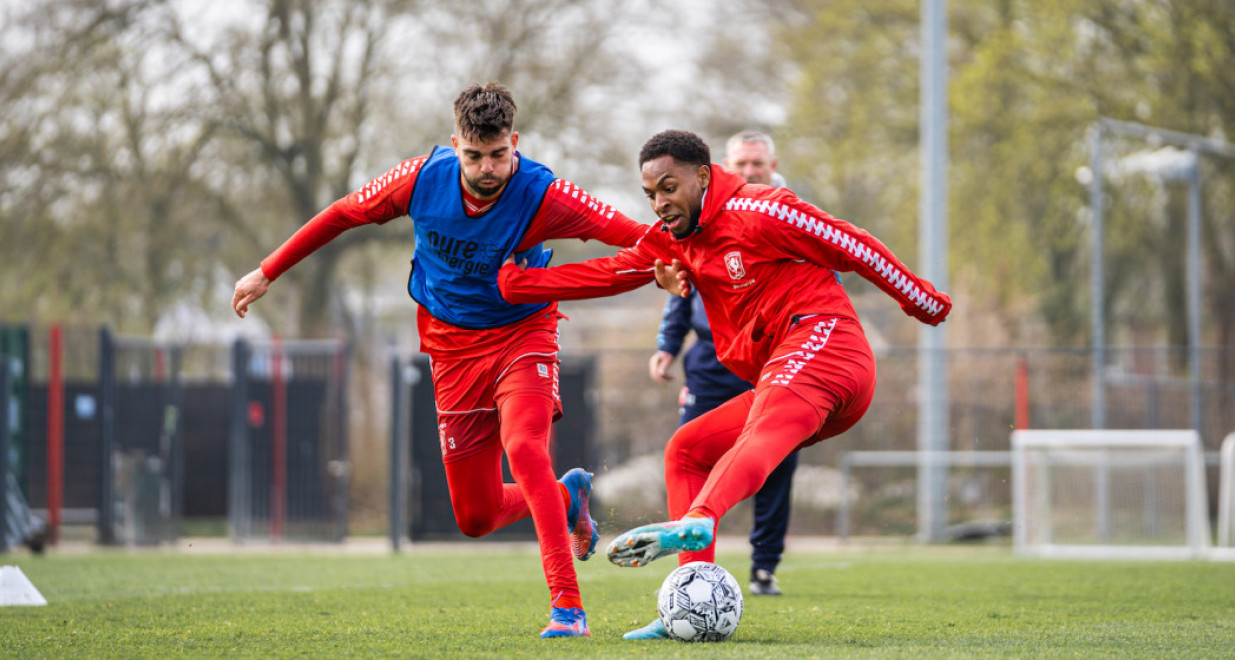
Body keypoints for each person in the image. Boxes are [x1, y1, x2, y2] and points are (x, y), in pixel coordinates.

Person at [231, 82, 649, 639]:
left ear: (515, 144)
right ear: (455, 145)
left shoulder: (543, 195)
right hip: (450, 349)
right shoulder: (420, 179)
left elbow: (638, 240)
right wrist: (267, 270)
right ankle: (565, 494)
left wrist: (673, 263)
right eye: (473, 156)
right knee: (474, 518)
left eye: (498, 155)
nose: (486, 169)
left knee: (525, 449)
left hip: (523, 334)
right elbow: (339, 215)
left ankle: (568, 608)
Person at [498, 129, 951, 639]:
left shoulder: (762, 209)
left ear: (704, 176)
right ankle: (684, 604)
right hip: (791, 372)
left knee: (761, 424)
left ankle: (702, 516)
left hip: (826, 343)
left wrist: (922, 300)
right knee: (686, 450)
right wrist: (518, 286)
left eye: (669, 188)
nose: (659, 203)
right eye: (650, 195)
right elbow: (609, 272)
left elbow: (850, 243)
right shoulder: (676, 242)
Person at [646, 130, 796, 597]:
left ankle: (763, 565)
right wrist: (668, 344)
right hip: (711, 362)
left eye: (758, 164)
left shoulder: (785, 213)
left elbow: (823, 276)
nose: (750, 172)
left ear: (772, 165)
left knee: (775, 462)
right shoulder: (693, 214)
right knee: (688, 452)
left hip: (773, 358)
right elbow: (682, 280)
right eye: (742, 165)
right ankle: (691, 579)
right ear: (720, 169)